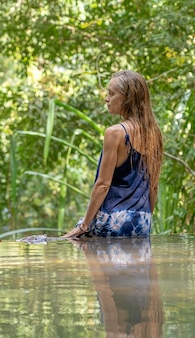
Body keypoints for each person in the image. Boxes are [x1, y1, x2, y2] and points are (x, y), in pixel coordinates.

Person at [63, 70, 163, 238]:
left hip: (113, 220)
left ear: (127, 99)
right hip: (142, 222)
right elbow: (153, 187)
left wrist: (84, 225)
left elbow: (103, 185)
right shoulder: (155, 135)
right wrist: (144, 220)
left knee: (71, 240)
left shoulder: (115, 133)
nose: (106, 99)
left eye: (111, 94)